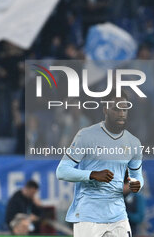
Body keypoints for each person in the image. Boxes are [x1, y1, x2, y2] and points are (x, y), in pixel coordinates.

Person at [56, 90, 144, 237]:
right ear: (105, 110)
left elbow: (138, 177)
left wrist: (137, 185)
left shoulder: (133, 143)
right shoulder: (86, 135)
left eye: (124, 109)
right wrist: (93, 174)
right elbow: (62, 171)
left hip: (118, 217)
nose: (121, 113)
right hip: (88, 217)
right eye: (116, 109)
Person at [123, 170, 145, 236]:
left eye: (124, 183)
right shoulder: (116, 196)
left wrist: (123, 213)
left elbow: (139, 218)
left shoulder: (138, 197)